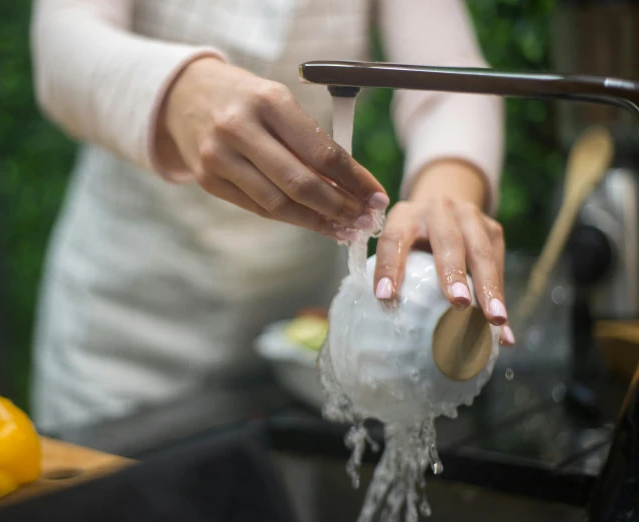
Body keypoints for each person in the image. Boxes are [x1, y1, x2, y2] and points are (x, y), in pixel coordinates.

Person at [29, 0, 512, 433]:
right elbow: (61, 43)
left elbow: (449, 82)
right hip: (126, 331)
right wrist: (182, 89)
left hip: (304, 336)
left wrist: (446, 192)